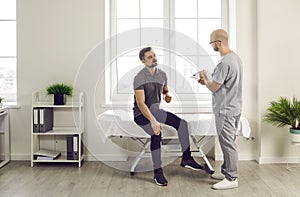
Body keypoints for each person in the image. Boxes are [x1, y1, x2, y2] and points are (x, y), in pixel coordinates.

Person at [133, 47, 205, 186]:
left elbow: (165, 90)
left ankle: (186, 159)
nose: (154, 58)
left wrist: (167, 96)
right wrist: (153, 121)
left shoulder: (162, 75)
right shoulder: (139, 78)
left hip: (155, 111)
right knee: (156, 133)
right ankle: (157, 172)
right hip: (141, 114)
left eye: (154, 55)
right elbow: (141, 104)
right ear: (143, 61)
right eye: (149, 57)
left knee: (182, 124)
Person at [198, 29, 242, 190]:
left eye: (211, 43)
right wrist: (209, 81)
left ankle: (231, 178)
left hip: (225, 110)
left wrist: (205, 79)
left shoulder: (224, 62)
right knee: (228, 141)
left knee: (227, 143)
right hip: (235, 107)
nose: (211, 46)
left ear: (218, 42)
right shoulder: (235, 58)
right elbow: (225, 84)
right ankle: (226, 171)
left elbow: (214, 87)